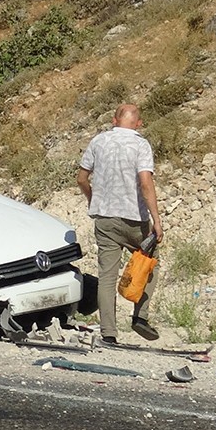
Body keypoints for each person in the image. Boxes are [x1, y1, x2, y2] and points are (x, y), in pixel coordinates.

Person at [76, 103, 164, 344]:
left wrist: (93, 200)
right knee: (149, 266)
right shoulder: (140, 144)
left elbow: (82, 178)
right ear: (139, 124)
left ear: (114, 121)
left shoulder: (98, 141)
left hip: (105, 219)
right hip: (135, 219)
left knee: (106, 276)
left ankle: (109, 333)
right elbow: (145, 183)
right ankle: (140, 317)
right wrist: (156, 219)